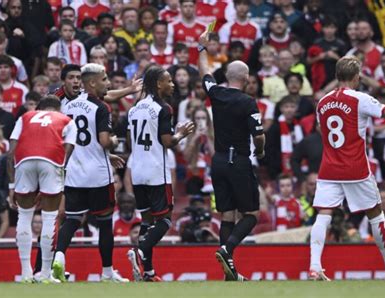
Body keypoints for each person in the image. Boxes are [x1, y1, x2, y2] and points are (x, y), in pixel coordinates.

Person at [309, 56, 385, 281]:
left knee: (323, 214)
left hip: (329, 167)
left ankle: (315, 267)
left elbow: (322, 130)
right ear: (357, 77)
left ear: (337, 75)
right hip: (355, 168)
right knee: (376, 215)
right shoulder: (360, 99)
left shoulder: (322, 102)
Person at [198, 28, 265, 281]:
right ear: (246, 79)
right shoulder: (248, 102)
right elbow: (258, 135)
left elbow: (204, 71)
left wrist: (201, 48)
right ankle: (227, 250)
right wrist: (260, 149)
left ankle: (229, 274)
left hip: (218, 161)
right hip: (238, 161)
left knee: (227, 215)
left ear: (226, 76)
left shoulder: (216, 94)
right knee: (251, 214)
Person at [53, 63, 129, 283]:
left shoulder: (67, 107)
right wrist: (114, 141)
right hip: (98, 175)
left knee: (72, 219)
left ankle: (59, 258)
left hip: (75, 173)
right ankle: (107, 272)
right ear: (93, 83)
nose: (108, 83)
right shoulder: (101, 107)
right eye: (104, 80)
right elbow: (105, 141)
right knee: (105, 222)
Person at [126, 65, 194, 282]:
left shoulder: (134, 108)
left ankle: (148, 272)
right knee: (164, 221)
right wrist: (181, 134)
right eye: (169, 81)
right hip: (156, 171)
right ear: (158, 84)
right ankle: (142, 249)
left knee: (146, 222)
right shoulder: (164, 108)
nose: (172, 84)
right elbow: (167, 141)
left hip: (137, 170)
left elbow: (130, 141)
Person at [7, 95, 77, 283]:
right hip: (52, 159)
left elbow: (10, 151)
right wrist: (56, 175)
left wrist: (12, 185)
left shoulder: (25, 117)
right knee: (49, 217)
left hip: (23, 161)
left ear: (39, 108)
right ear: (58, 108)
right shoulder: (66, 120)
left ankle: (25, 274)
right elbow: (68, 149)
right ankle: (45, 273)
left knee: (24, 215)